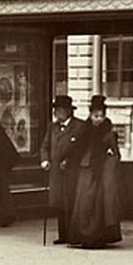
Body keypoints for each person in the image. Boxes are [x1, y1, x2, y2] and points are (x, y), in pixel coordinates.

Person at [68, 95, 122, 249]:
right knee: (84, 202)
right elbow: (77, 149)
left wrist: (109, 158)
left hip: (102, 172)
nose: (99, 119)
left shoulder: (109, 131)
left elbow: (117, 154)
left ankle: (98, 236)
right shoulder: (84, 129)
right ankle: (84, 235)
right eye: (95, 116)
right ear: (90, 115)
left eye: (101, 116)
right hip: (86, 169)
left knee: (100, 204)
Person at [39, 95, 85, 244]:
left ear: (68, 111)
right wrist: (45, 160)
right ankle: (63, 235)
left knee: (71, 203)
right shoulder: (52, 127)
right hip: (56, 173)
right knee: (59, 204)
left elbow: (81, 150)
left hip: (72, 172)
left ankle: (74, 234)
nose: (57, 114)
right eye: (56, 111)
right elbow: (45, 146)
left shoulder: (80, 126)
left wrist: (70, 161)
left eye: (60, 110)